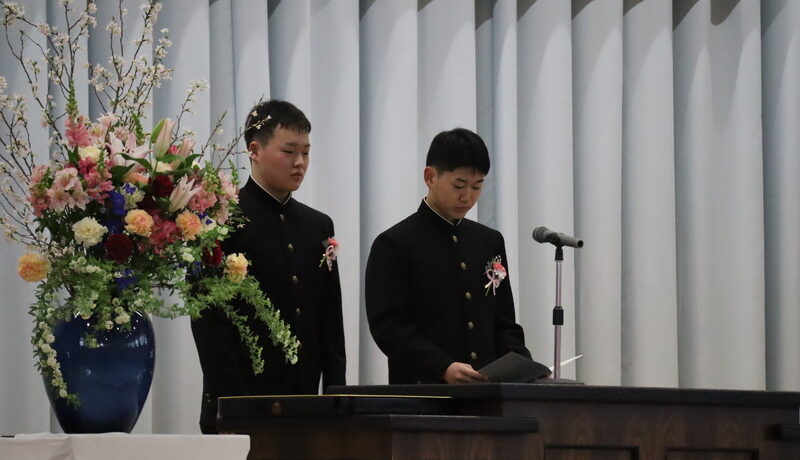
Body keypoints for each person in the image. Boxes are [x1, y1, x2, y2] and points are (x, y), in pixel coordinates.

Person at [191, 100, 345, 433]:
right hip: (240, 399)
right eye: (289, 151)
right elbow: (208, 321)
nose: (300, 162)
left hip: (304, 402)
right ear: (254, 151)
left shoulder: (318, 225)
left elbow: (330, 318)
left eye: (306, 152)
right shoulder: (221, 218)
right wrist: (235, 404)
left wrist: (336, 396)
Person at [365, 128, 531, 385]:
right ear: (430, 177)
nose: (468, 197)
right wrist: (441, 367)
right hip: (423, 391)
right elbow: (389, 327)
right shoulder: (394, 244)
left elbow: (504, 322)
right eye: (459, 185)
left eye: (477, 186)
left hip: (486, 393)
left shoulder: (489, 242)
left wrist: (525, 367)